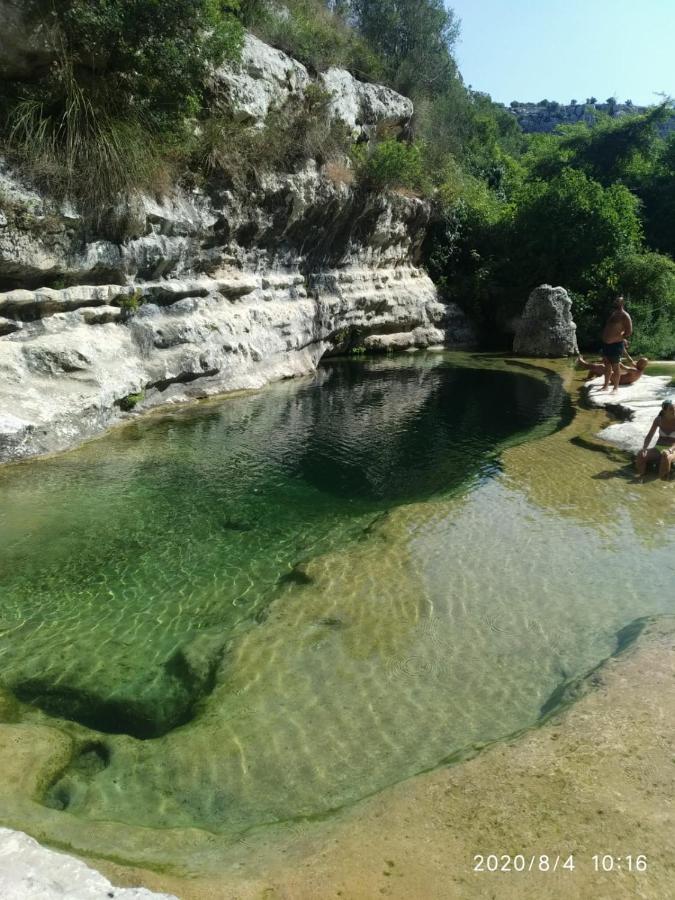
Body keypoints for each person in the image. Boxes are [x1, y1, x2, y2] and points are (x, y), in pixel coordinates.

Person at [600, 296, 633, 393]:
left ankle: (615, 388)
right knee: (607, 366)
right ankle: (605, 386)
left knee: (615, 366)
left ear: (622, 303)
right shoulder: (613, 314)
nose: (615, 302)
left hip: (616, 344)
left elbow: (629, 331)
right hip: (606, 344)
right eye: (615, 300)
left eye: (617, 301)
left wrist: (620, 338)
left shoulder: (625, 315)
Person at [635, 399, 675, 479]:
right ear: (664, 411)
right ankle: (640, 478)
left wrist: (670, 450)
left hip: (673, 449)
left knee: (666, 457)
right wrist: (645, 448)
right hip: (658, 448)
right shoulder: (658, 420)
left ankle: (662, 482)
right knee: (641, 455)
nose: (674, 411)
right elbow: (650, 435)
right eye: (671, 409)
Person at [577, 354, 648, 386]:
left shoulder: (634, 370)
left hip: (616, 379)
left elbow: (623, 367)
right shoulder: (640, 370)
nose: (637, 362)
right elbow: (632, 362)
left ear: (641, 364)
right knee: (599, 368)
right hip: (620, 380)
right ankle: (588, 378)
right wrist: (625, 354)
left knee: (602, 367)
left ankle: (583, 363)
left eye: (639, 362)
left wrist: (616, 360)